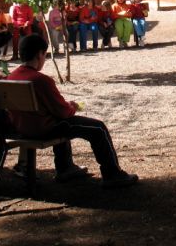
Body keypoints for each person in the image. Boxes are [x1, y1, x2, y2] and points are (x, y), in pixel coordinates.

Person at [7, 34, 138, 187]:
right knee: (97, 128)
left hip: (22, 126)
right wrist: (72, 106)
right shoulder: (41, 80)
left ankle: (65, 167)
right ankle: (112, 174)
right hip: (43, 128)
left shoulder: (11, 77)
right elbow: (62, 112)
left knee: (63, 123)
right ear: (39, 54)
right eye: (45, 55)